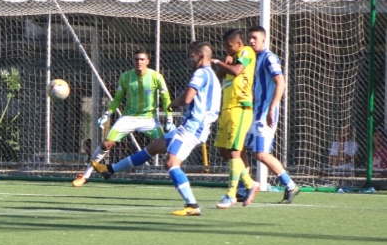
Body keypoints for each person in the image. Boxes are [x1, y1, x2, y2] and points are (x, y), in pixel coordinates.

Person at [92, 42, 221, 216]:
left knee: (171, 163)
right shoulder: (212, 74)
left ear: (201, 56)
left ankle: (192, 205)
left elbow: (188, 96)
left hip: (193, 127)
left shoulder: (200, 73)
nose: (189, 58)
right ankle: (109, 170)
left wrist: (174, 104)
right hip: (194, 126)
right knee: (152, 148)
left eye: (192, 55)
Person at [72, 49, 173, 187]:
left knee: (167, 147)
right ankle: (85, 175)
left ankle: (176, 176)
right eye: (137, 59)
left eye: (142, 59)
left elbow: (166, 98)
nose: (139, 62)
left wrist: (169, 117)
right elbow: (117, 99)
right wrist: (107, 114)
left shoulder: (156, 77)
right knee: (106, 144)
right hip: (128, 117)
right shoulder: (125, 77)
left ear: (148, 61)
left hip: (149, 119)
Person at [240, 26, 300, 204]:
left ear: (264, 40)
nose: (251, 41)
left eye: (255, 38)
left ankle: (290, 185)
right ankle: (245, 187)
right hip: (253, 112)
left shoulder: (269, 58)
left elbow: (280, 82)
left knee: (261, 154)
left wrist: (273, 107)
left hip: (264, 114)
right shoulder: (251, 58)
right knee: (238, 148)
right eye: (249, 38)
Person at [212, 29, 259, 209]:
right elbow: (219, 77)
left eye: (229, 45)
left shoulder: (246, 51)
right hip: (226, 110)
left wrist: (217, 61)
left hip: (241, 108)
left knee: (234, 151)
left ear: (239, 44)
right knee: (224, 151)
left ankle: (231, 194)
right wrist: (221, 65)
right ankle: (249, 184)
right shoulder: (231, 59)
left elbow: (238, 71)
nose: (227, 49)